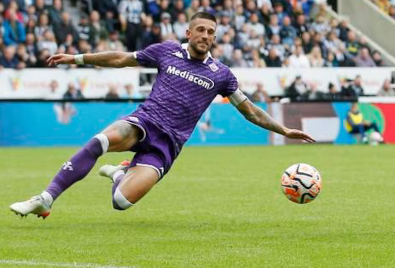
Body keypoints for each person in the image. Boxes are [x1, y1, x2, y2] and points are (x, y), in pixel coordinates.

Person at [10, 12, 314, 218]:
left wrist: (284, 130)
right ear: (189, 32)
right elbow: (121, 58)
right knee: (100, 141)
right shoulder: (167, 51)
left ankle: (120, 173)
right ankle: (45, 199)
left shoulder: (221, 74)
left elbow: (250, 111)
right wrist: (77, 58)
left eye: (211, 32)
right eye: (200, 30)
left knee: (120, 202)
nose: (205, 35)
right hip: (144, 122)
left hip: (167, 145)